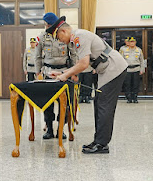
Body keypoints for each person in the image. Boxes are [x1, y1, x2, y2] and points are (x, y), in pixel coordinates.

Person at [47, 16, 128, 154]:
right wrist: (62, 72)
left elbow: (84, 64)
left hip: (114, 68)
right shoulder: (74, 41)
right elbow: (81, 65)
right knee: (99, 104)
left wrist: (65, 75)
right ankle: (98, 141)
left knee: (104, 106)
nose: (59, 41)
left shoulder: (79, 37)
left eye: (58, 37)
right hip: (106, 70)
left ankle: (102, 145)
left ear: (64, 31)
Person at [35, 12, 77, 140]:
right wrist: (38, 73)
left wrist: (74, 73)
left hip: (64, 72)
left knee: (64, 102)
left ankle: (61, 129)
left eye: (48, 24)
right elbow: (37, 56)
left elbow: (73, 54)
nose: (47, 26)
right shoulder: (42, 36)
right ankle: (49, 128)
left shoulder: (65, 35)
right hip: (48, 73)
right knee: (47, 103)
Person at [120, 37, 145, 103]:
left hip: (136, 69)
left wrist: (142, 69)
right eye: (130, 42)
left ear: (135, 42)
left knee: (136, 84)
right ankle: (129, 98)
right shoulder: (124, 50)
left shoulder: (139, 50)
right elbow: (121, 60)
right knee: (127, 84)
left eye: (133, 42)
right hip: (127, 69)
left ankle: (135, 97)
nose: (132, 43)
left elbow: (142, 60)